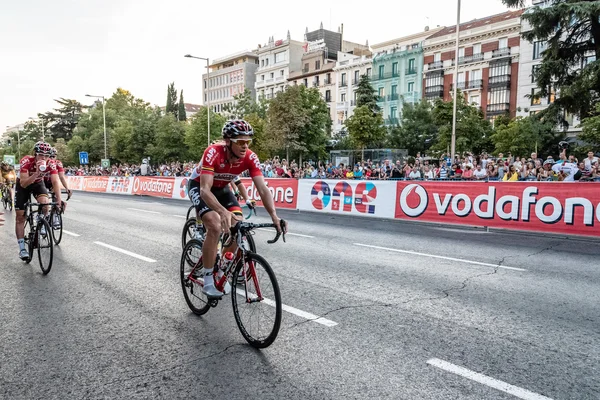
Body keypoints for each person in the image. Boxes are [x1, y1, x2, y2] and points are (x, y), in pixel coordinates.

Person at [196, 120, 287, 298]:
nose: (245, 146)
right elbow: (204, 190)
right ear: (228, 141)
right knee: (214, 225)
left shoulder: (250, 157)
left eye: (248, 142)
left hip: (223, 190)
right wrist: (222, 212)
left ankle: (220, 268)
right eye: (240, 142)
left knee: (238, 227)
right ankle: (207, 280)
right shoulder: (213, 152)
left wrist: (274, 216)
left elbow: (263, 189)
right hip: (201, 187)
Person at [14, 141, 63, 260]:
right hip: (24, 185)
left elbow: (56, 181)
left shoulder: (50, 163)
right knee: (20, 217)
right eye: (41, 155)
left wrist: (59, 201)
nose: (44, 158)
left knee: (46, 204)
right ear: (35, 154)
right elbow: (24, 183)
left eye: (46, 155)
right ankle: (22, 249)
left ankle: (40, 221)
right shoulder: (26, 161)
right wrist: (36, 173)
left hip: (37, 184)